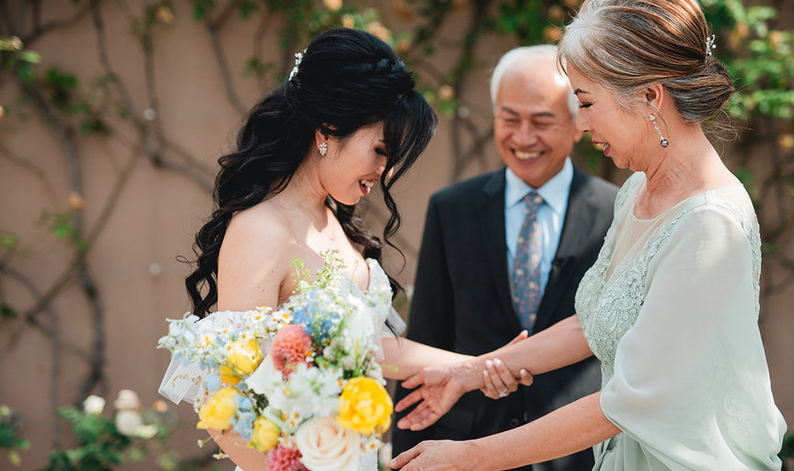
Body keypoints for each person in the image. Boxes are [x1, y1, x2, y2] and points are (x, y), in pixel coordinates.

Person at [390, 0, 787, 470]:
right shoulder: (637, 192)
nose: (580, 125)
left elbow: (628, 400)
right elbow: (595, 321)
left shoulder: (708, 226)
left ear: (649, 97)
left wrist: (473, 457)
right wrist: (473, 372)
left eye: (587, 101)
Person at [159, 28, 525, 471]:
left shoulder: (334, 220)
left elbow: (374, 346)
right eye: (379, 151)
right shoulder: (261, 230)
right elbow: (223, 397)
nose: (384, 173)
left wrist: (476, 367)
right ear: (328, 129)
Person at [391, 45, 618, 471]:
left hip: (578, 452)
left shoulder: (618, 212)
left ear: (577, 124)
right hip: (466, 443)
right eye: (509, 119)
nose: (523, 138)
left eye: (542, 121)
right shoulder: (452, 208)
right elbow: (428, 333)